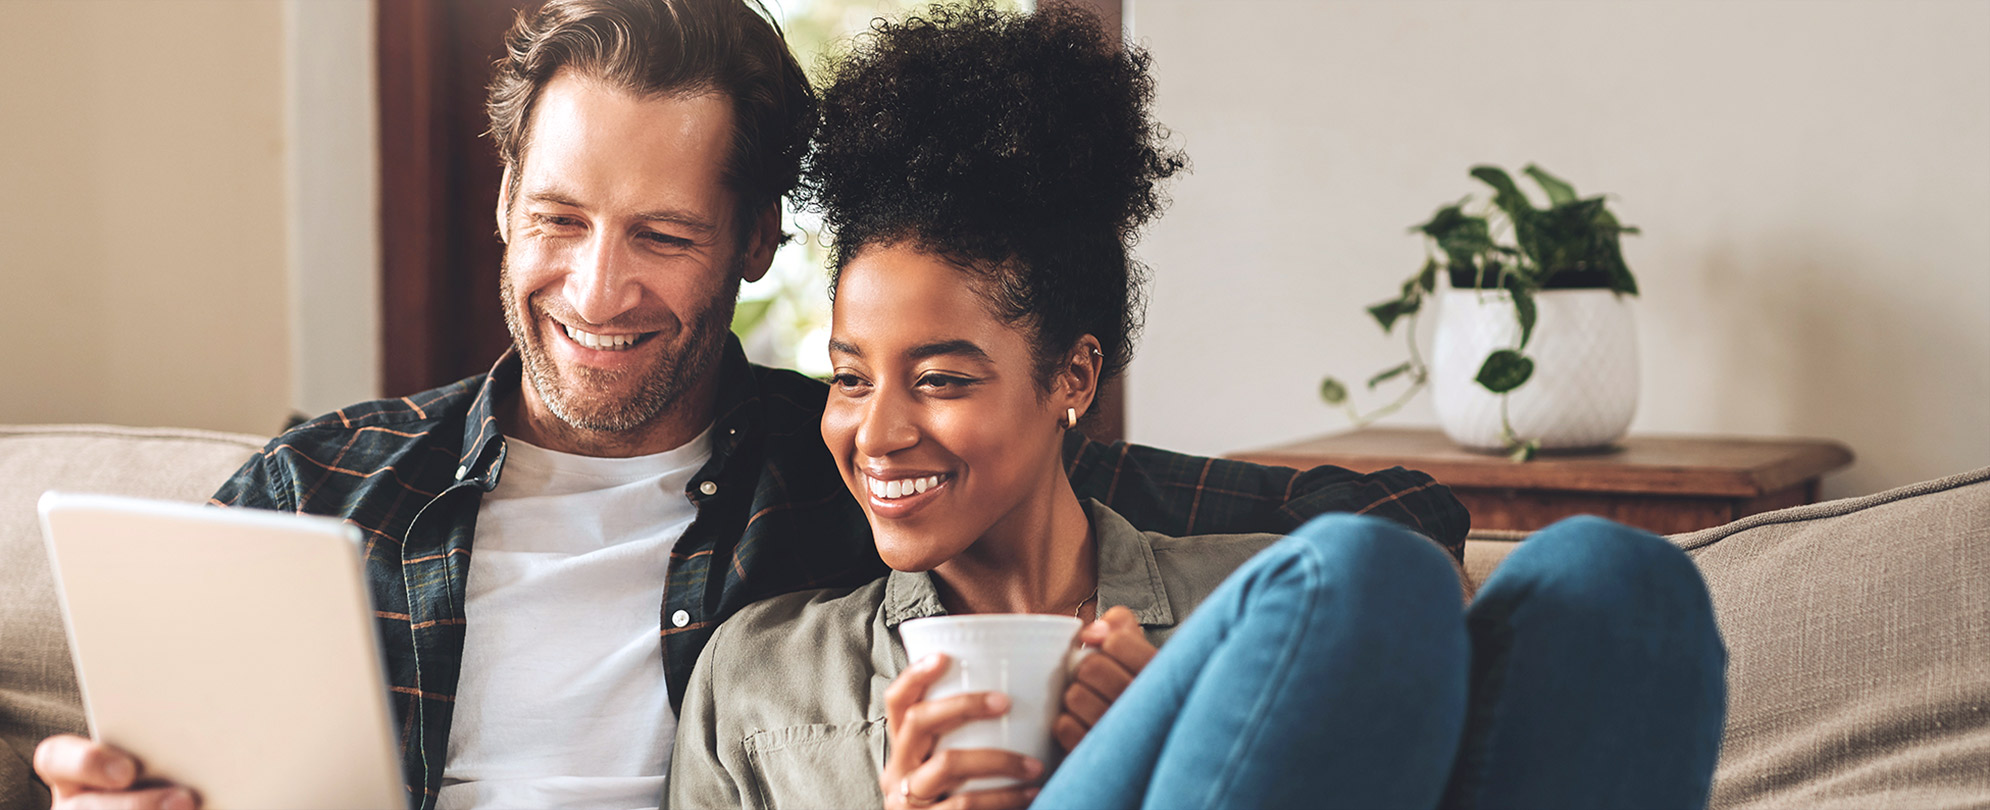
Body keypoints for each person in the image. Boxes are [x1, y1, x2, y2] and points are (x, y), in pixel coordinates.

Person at [27, 2, 1469, 809]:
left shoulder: (842, 459)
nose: (595, 290)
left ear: (754, 246)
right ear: (499, 202)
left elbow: (1374, 535)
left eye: (661, 235)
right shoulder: (326, 486)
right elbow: (135, 764)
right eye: (557, 219)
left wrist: (1171, 673)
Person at [665, 4, 1726, 809]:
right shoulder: (759, 678)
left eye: (940, 379)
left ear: (1072, 379)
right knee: (1362, 574)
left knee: (1619, 578)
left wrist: (1187, 735)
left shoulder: (1248, 615)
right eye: (850, 377)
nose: (877, 431)